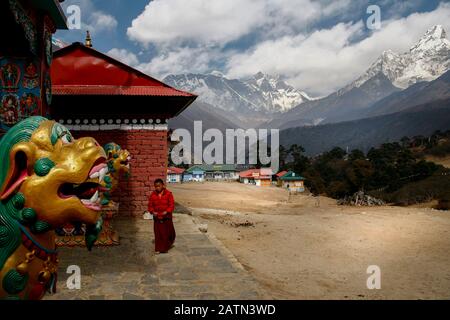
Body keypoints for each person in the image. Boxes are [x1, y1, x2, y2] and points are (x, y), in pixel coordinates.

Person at [147, 178, 176, 253]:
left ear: (163, 185)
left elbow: (171, 205)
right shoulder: (153, 195)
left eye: (159, 186)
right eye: (156, 186)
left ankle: (166, 245)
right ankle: (159, 249)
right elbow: (150, 205)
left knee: (168, 233)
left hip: (166, 217)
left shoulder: (168, 194)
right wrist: (152, 212)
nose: (157, 188)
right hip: (157, 217)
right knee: (158, 234)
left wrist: (167, 211)